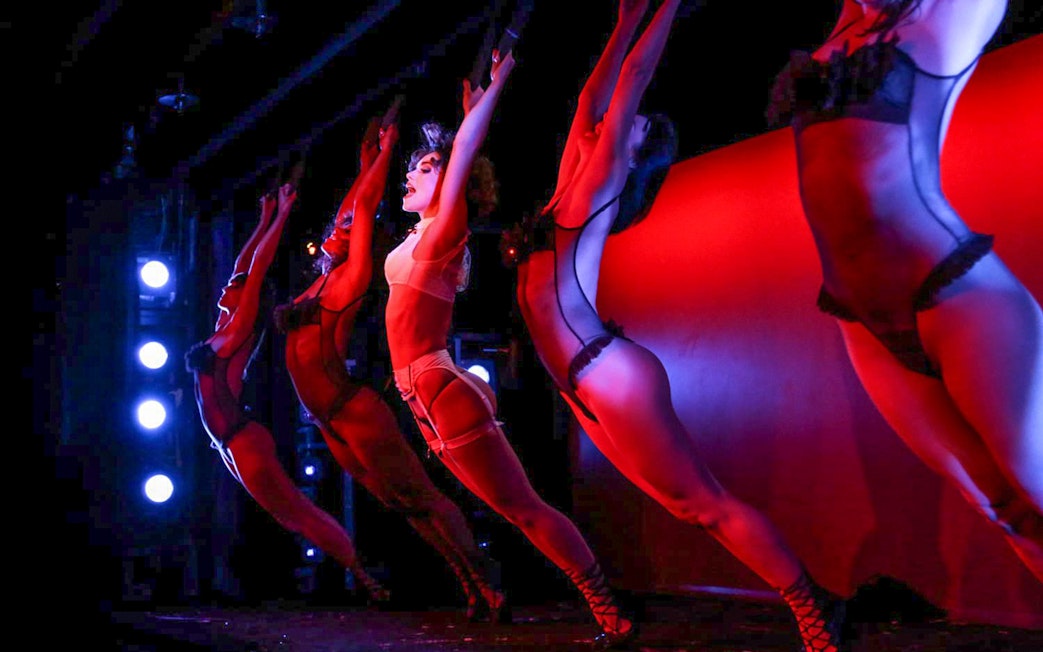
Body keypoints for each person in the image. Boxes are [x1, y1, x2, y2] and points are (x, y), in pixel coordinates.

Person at [501, 2, 847, 651]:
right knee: (682, 505)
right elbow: (591, 101)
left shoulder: (601, 183)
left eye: (630, 126)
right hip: (582, 384)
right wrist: (623, 20)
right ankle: (621, 619)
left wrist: (660, 10)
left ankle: (813, 608)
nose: (611, 124)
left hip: (609, 375)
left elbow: (629, 85)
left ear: (634, 154)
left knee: (701, 503)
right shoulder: (567, 189)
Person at [767, 0, 1042, 584]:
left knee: (1036, 487)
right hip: (859, 317)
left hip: (957, 292)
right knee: (1001, 508)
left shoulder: (946, 18)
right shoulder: (848, 25)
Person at [383, 40, 637, 650]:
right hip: (421, 396)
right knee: (512, 510)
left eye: (425, 169)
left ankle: (611, 613)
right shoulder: (417, 237)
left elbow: (465, 153)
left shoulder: (447, 230)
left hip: (439, 388)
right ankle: (603, 611)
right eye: (414, 169)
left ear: (453, 180)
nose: (411, 176)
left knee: (524, 508)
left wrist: (493, 91)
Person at [274, 108, 506, 621]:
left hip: (352, 409)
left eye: (349, 226)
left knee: (422, 495)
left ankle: (486, 577)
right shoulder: (318, 283)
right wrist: (365, 161)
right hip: (327, 419)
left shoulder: (353, 274)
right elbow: (352, 203)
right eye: (337, 224)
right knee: (401, 504)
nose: (342, 226)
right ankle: (468, 583)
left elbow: (363, 204)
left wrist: (380, 157)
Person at [185, 180, 390, 603]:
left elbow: (255, 269)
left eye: (234, 287)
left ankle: (360, 572)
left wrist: (280, 216)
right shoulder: (222, 327)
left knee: (295, 510)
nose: (226, 287)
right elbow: (243, 265)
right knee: (286, 515)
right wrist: (262, 220)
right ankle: (359, 570)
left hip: (244, 441)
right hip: (227, 445)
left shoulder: (239, 327)